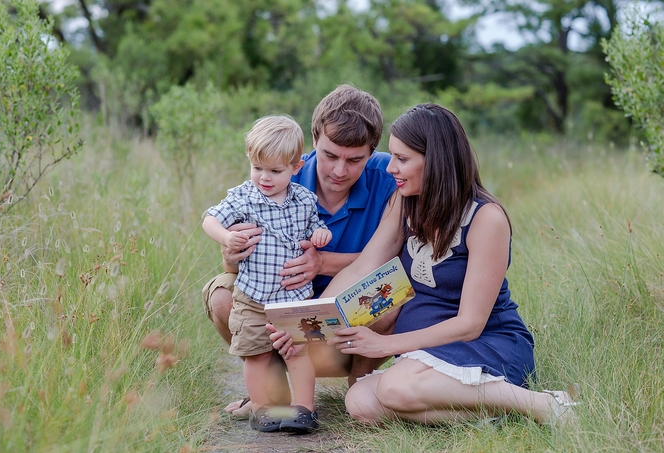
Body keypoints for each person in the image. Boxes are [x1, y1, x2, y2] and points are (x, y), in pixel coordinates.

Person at [271, 103, 579, 427]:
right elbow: (364, 269)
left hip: (485, 344)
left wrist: (386, 345)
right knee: (360, 402)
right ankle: (492, 413)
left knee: (394, 388)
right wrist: (310, 322)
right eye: (392, 156)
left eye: (402, 159)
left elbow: (470, 324)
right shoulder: (404, 203)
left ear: (436, 162)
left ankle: (542, 403)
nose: (390, 168)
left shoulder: (486, 218)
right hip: (426, 353)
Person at [201, 85, 398, 420]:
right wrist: (232, 251)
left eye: (355, 160)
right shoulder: (279, 173)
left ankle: (360, 391)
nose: (339, 171)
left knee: (388, 295)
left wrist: (322, 263)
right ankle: (270, 393)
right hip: (281, 319)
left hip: (346, 333)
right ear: (313, 142)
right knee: (221, 294)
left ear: (372, 151)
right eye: (329, 155)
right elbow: (235, 265)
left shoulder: (389, 177)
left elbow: (402, 261)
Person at [203, 115, 333, 433]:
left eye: (275, 171)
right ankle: (262, 409)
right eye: (258, 168)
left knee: (299, 353)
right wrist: (226, 237)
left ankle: (303, 410)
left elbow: (315, 226)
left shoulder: (303, 200)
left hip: (293, 298)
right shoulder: (244, 197)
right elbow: (210, 218)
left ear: (295, 167)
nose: (265, 177)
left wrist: (320, 236)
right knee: (256, 355)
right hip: (253, 296)